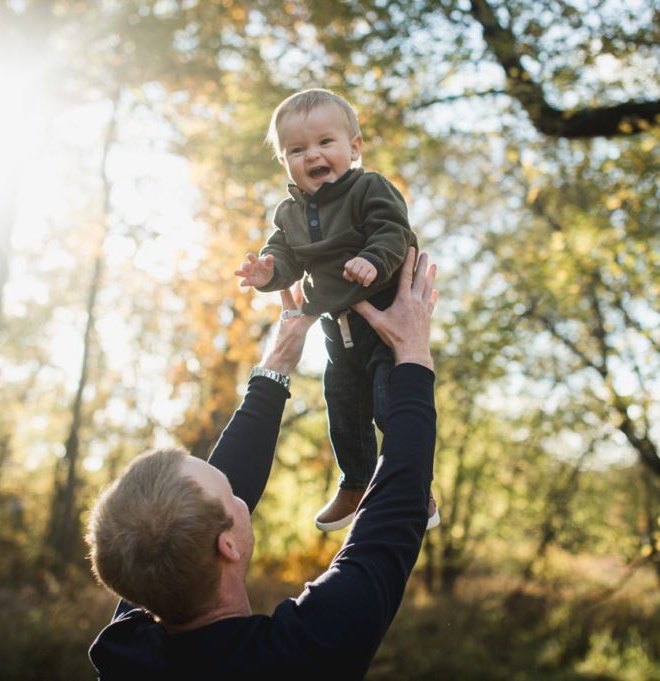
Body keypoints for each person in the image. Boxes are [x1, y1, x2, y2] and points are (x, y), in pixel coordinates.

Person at [86, 248, 440, 680]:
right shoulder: (302, 656)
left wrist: (279, 362)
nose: (242, 494)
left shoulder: (131, 641)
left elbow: (212, 499)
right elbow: (396, 510)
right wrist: (413, 352)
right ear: (227, 546)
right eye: (232, 496)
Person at [234, 88, 437, 531]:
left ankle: (414, 485)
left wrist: (374, 258)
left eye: (325, 142)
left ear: (354, 147)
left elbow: (393, 232)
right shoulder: (288, 213)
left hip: (383, 322)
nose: (313, 155)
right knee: (342, 412)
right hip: (337, 336)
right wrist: (267, 272)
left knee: (389, 404)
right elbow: (284, 256)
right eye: (297, 149)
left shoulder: (368, 188)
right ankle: (356, 482)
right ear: (284, 160)